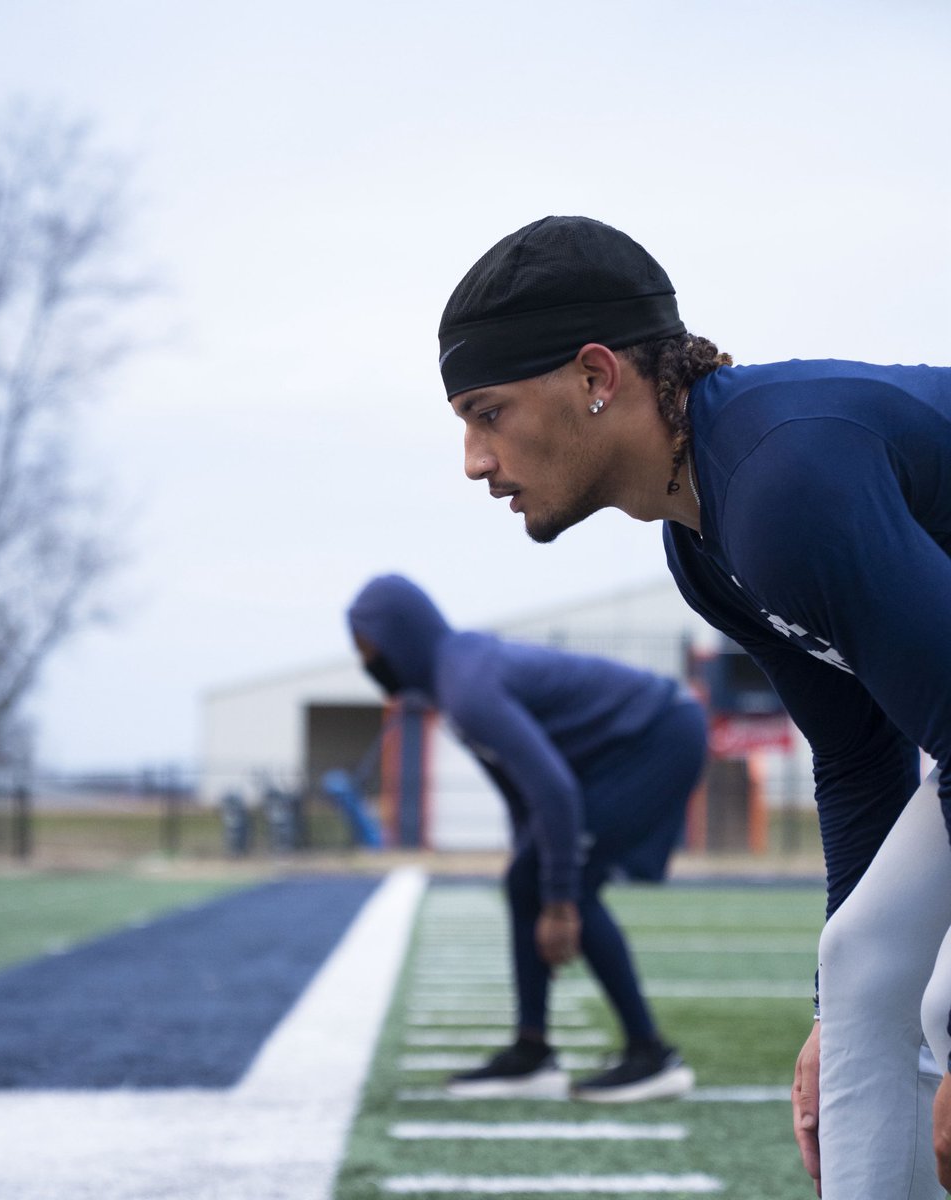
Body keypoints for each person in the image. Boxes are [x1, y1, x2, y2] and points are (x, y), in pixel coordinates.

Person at [437, 213, 951, 1197]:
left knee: (936, 1007)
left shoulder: (783, 481)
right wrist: (833, 1025)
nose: (472, 459)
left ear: (595, 379)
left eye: (487, 412)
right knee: (861, 970)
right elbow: (856, 758)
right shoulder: (705, 543)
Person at [347, 572, 707, 1101]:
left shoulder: (466, 683)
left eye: (367, 647)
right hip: (633, 742)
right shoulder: (453, 680)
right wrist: (534, 874)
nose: (366, 663)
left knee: (573, 886)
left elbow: (554, 790)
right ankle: (532, 1052)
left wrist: (558, 902)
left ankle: (651, 1054)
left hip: (659, 734)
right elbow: (522, 794)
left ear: (398, 635)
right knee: (525, 879)